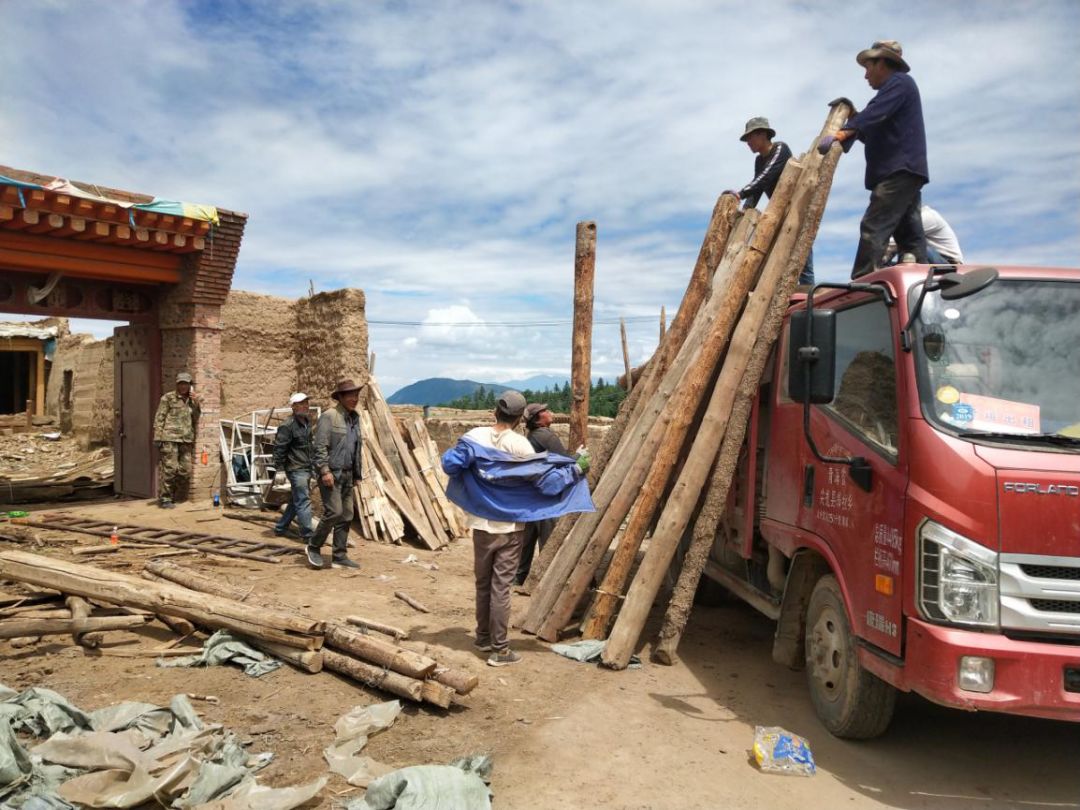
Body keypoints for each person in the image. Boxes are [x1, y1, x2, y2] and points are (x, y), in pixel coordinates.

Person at [817, 40, 929, 279]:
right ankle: (919, 271)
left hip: (898, 169)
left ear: (882, 63)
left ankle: (863, 282)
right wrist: (856, 124)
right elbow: (872, 127)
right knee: (908, 233)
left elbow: (876, 113)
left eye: (868, 68)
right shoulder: (892, 94)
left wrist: (845, 131)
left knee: (874, 226)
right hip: (905, 169)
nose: (865, 75)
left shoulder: (899, 83)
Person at [726, 116, 814, 284]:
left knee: (801, 255)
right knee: (780, 255)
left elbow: (765, 177)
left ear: (762, 134)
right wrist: (746, 210)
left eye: (750, 138)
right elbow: (757, 186)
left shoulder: (780, 149)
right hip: (780, 211)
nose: (748, 143)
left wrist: (740, 194)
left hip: (796, 209)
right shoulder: (759, 160)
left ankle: (809, 292)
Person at [307, 379, 363, 570]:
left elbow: (356, 447)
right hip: (331, 474)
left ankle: (339, 555)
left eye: (356, 395)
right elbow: (320, 446)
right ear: (340, 397)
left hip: (348, 474)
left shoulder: (354, 418)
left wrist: (356, 474)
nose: (354, 399)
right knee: (334, 512)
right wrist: (324, 471)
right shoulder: (329, 416)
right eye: (350, 395)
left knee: (347, 515)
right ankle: (313, 547)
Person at [514, 402, 568, 586]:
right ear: (538, 419)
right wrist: (579, 458)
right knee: (548, 537)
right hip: (545, 495)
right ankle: (546, 580)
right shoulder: (545, 436)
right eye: (545, 411)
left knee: (527, 538)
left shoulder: (533, 436)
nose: (549, 412)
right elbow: (564, 460)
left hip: (531, 493)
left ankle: (518, 577)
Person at [153, 372, 201, 509]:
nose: (183, 386)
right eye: (181, 383)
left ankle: (174, 494)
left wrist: (196, 403)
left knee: (185, 470)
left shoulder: (193, 400)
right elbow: (159, 418)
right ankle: (166, 498)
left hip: (186, 439)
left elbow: (196, 418)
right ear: (177, 384)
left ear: (190, 385)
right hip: (170, 438)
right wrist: (157, 437)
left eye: (186, 384)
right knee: (170, 469)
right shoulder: (168, 398)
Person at [272, 392, 316, 543]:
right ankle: (308, 536)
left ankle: (281, 528)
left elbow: (309, 446)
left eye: (306, 403)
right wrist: (279, 469)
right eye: (300, 404)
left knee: (296, 500)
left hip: (306, 467)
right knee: (303, 501)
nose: (305, 406)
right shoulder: (287, 426)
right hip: (296, 469)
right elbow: (279, 448)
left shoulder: (307, 422)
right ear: (293, 407)